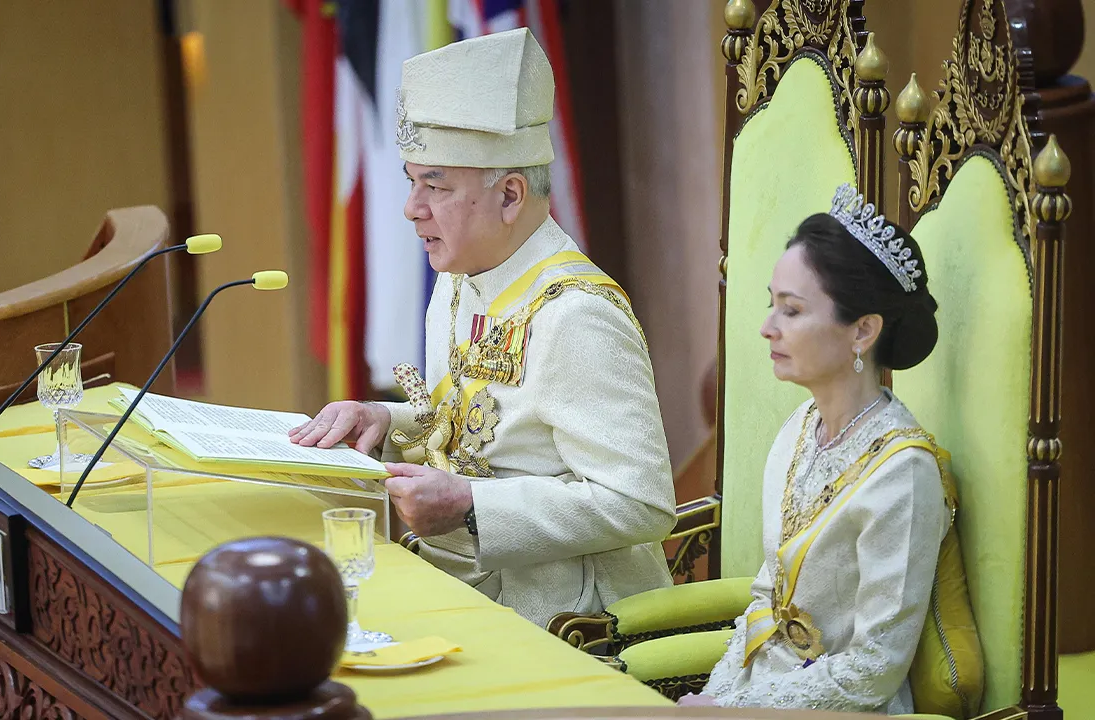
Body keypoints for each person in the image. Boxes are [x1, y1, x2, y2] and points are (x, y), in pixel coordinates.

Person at [289, 27, 676, 628]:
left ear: (511, 194)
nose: (411, 208)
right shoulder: (459, 278)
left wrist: (471, 505)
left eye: (435, 185)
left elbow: (640, 503)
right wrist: (384, 420)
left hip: (569, 622)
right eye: (411, 181)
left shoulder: (577, 315)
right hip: (459, 583)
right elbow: (481, 426)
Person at [677, 184, 947, 712]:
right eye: (771, 305)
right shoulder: (800, 428)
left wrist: (735, 713)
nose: (766, 328)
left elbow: (874, 670)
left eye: (792, 311)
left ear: (863, 331)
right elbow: (765, 601)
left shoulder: (902, 474)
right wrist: (717, 697)